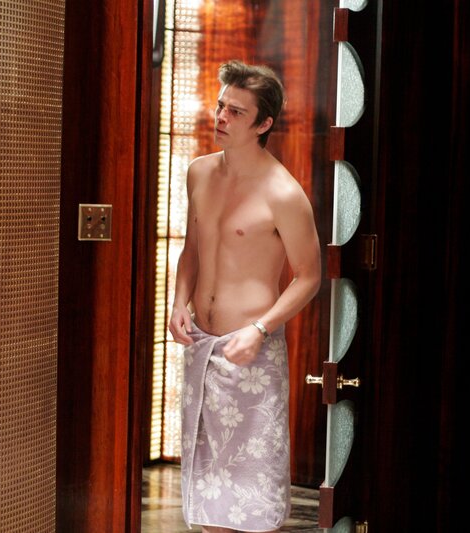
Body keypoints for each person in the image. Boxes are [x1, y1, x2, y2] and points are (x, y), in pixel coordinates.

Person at [169, 60, 321, 533]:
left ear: (263, 123)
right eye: (220, 106)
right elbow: (193, 248)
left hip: (251, 351)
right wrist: (178, 303)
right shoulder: (199, 173)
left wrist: (260, 329)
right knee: (207, 491)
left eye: (236, 112)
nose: (220, 117)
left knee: (252, 495)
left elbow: (309, 277)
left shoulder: (283, 193)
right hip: (202, 345)